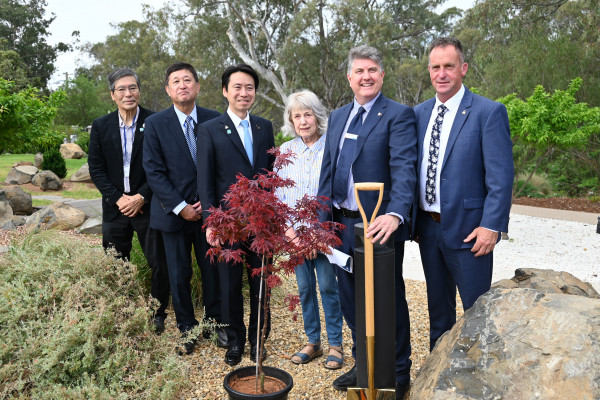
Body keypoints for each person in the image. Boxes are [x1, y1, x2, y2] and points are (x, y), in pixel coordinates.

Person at [317, 45, 417, 398]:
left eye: (372, 70)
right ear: (349, 78)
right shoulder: (338, 116)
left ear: (382, 75)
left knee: (388, 301)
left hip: (377, 225)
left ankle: (398, 371)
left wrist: (395, 213)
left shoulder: (398, 115)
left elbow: (404, 169)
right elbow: (327, 172)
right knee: (350, 299)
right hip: (341, 226)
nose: (366, 76)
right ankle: (363, 364)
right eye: (359, 71)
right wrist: (321, 223)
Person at [413, 37, 513, 351]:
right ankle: (437, 372)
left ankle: (477, 372)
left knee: (476, 312)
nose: (441, 73)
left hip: (472, 233)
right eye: (435, 67)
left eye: (449, 66)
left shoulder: (488, 112)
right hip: (428, 230)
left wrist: (491, 226)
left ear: (463, 68)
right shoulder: (418, 114)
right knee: (438, 311)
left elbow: (501, 178)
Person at [197, 64, 275, 366]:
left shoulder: (264, 127)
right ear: (225, 91)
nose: (244, 93)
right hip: (227, 223)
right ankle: (235, 340)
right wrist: (211, 222)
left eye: (249, 88)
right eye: (238, 87)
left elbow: (271, 174)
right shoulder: (210, 129)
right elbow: (205, 179)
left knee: (261, 284)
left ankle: (258, 340)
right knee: (229, 284)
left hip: (261, 222)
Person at [142, 62, 222, 355]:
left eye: (187, 80)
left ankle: (214, 325)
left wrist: (208, 205)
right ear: (168, 90)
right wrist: (180, 206)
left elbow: (220, 167)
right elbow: (153, 171)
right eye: (176, 81)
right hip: (173, 215)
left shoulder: (215, 119)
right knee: (179, 274)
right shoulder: (155, 124)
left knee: (212, 271)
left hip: (208, 215)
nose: (182, 85)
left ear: (197, 86)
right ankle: (188, 329)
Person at [88, 68, 169, 335]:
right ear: (112, 95)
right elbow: (96, 168)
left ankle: (157, 313)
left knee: (159, 263)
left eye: (133, 87)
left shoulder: (155, 121)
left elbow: (162, 166)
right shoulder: (101, 125)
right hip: (115, 207)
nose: (128, 93)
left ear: (139, 91)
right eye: (121, 89)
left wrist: (141, 196)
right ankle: (121, 311)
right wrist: (118, 199)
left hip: (148, 205)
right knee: (115, 263)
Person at [276, 90, 344, 369]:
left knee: (328, 287)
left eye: (308, 114)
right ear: (291, 120)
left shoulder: (332, 147)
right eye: (297, 116)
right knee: (304, 289)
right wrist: (291, 235)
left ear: (317, 116)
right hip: (295, 237)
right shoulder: (285, 151)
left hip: (323, 235)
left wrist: (318, 234)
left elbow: (337, 193)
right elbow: (278, 198)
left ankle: (336, 344)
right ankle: (313, 341)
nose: (303, 121)